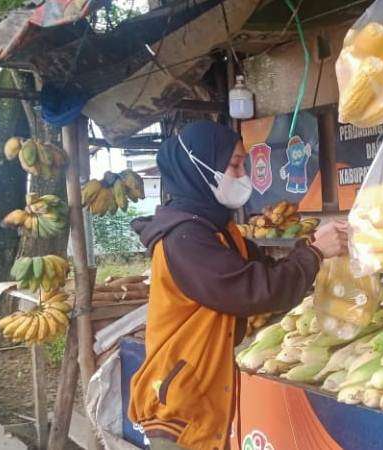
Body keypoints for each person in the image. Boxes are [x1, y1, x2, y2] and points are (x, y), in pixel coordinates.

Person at [127, 121, 349, 450]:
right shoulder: (184, 238)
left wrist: (313, 245)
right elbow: (252, 291)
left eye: (243, 163)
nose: (243, 173)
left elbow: (264, 271)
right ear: (199, 166)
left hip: (203, 398)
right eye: (234, 164)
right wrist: (315, 253)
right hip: (179, 409)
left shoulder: (217, 229)